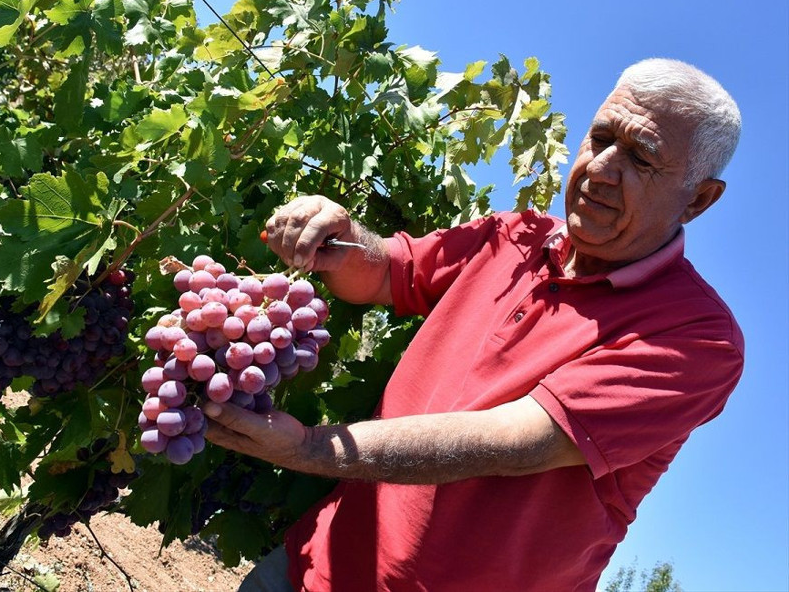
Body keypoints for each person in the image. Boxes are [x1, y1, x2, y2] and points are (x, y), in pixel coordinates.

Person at [203, 58, 744, 592]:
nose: (601, 168)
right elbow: (385, 272)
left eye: (642, 158)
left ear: (698, 199)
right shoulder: (515, 235)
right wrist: (340, 240)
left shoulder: (696, 336)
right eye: (600, 136)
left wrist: (310, 448)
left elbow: (518, 440)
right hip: (317, 565)